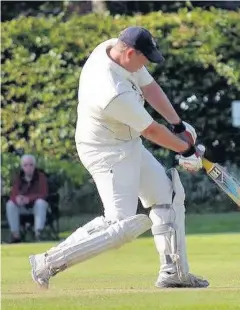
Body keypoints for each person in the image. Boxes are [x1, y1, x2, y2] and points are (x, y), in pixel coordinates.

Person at [29, 26, 209, 289]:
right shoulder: (110, 88)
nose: (146, 65)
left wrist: (179, 126)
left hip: (127, 141)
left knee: (166, 196)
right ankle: (46, 263)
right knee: (120, 224)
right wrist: (186, 151)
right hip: (105, 151)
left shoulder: (117, 48)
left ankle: (174, 273)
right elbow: (150, 130)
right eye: (144, 59)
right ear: (131, 52)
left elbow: (150, 89)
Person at [6, 154, 48, 242]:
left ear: (34, 166)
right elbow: (13, 194)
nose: (28, 167)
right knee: (10, 204)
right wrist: (17, 199)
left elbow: (43, 194)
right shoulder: (18, 178)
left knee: (41, 203)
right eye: (25, 165)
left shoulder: (41, 177)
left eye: (31, 165)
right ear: (22, 167)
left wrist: (28, 199)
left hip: (36, 207)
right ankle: (15, 235)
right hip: (22, 208)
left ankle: (38, 233)